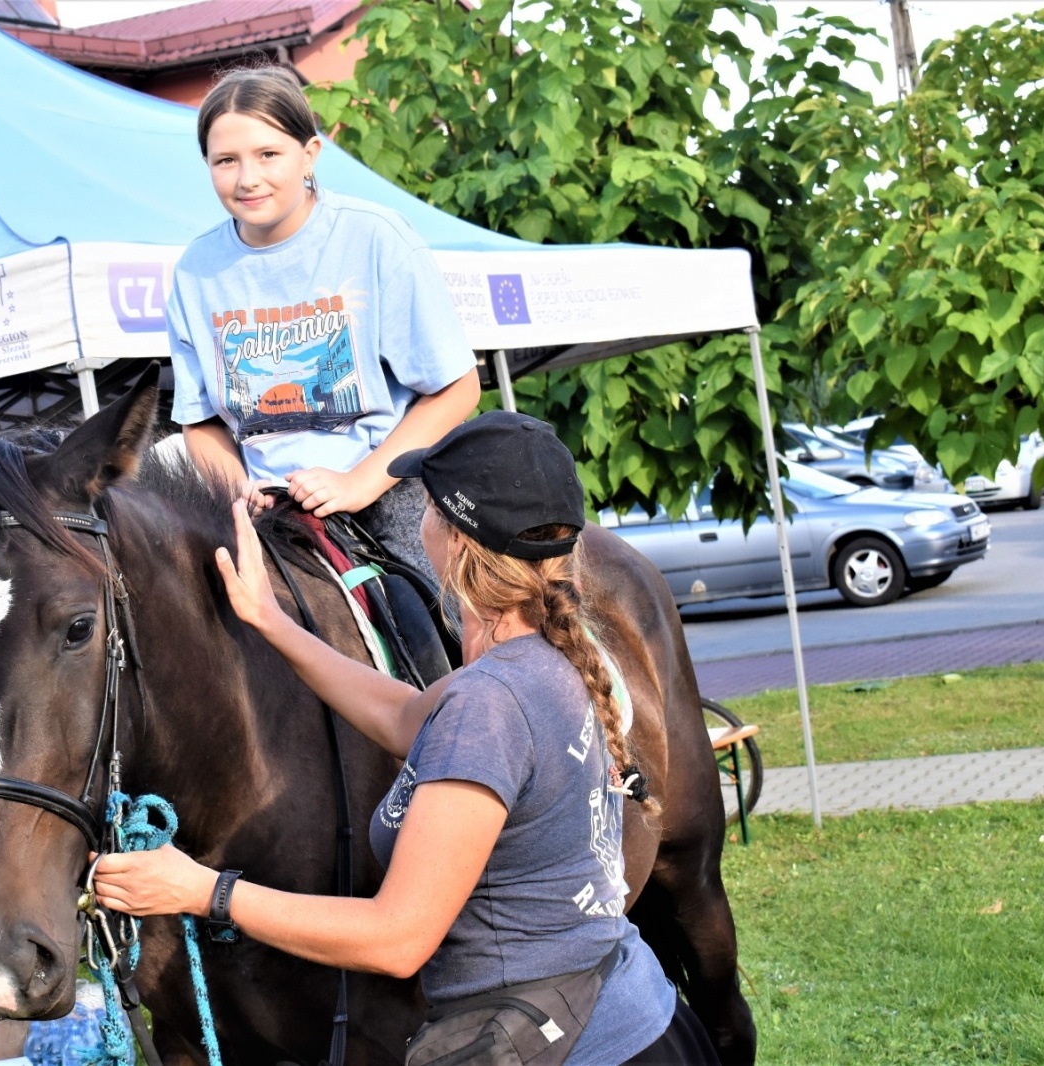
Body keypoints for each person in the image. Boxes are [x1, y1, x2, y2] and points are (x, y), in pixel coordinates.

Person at [92, 413, 719, 1064]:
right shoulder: (541, 660)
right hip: (634, 1021)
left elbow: (398, 938)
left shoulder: (489, 705)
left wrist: (201, 890)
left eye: (428, 502)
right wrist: (272, 622)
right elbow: (402, 717)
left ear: (455, 540)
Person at [167, 65, 480, 585]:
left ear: (309, 153)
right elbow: (199, 421)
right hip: (266, 515)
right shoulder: (195, 271)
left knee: (439, 619)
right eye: (226, 160)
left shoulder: (375, 238)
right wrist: (237, 489)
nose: (248, 178)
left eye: (269, 154)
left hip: (388, 493)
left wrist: (356, 484)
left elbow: (457, 389)